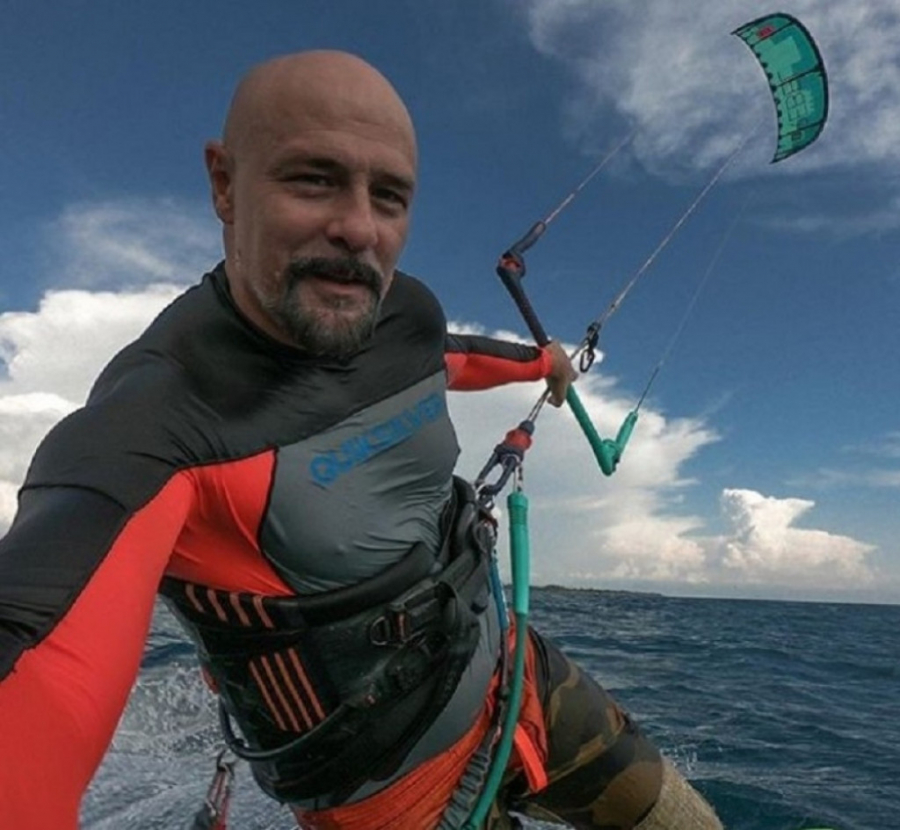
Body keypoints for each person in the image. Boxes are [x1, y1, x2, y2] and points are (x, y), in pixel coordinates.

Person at [0, 51, 723, 830]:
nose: (359, 229)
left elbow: (450, 358)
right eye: (314, 180)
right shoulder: (153, 431)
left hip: (518, 676)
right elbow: (35, 674)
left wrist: (541, 364)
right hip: (397, 803)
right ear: (224, 184)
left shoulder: (399, 313)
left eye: (389, 197)